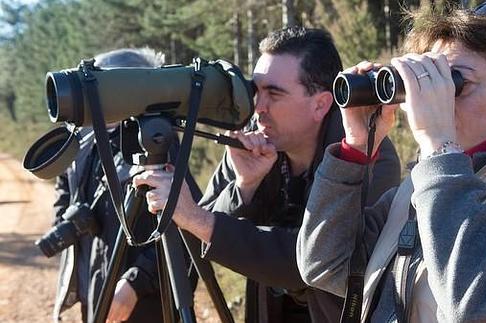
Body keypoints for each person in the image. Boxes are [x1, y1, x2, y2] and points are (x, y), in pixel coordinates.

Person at [296, 1, 486, 322]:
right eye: (430, 83)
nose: (437, 99)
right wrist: (355, 148)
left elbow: (481, 302)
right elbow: (325, 266)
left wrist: (440, 148)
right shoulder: (423, 186)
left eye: (455, 83)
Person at [133, 27, 401, 322]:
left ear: (321, 104)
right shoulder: (251, 144)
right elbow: (198, 242)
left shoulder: (370, 153)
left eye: (274, 93)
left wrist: (199, 220)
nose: (258, 108)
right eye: (255, 91)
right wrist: (244, 187)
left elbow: (312, 265)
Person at [51, 48, 169, 323]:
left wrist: (135, 284)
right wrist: (66, 220)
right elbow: (64, 185)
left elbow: (185, 234)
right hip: (95, 283)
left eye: (100, 86)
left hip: (141, 303)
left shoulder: (156, 145)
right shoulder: (85, 139)